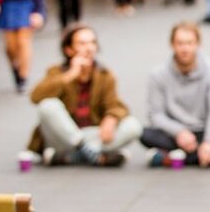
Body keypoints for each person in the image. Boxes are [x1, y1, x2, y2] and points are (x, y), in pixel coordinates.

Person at [28, 23, 141, 167]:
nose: (89, 48)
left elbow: (116, 105)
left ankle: (73, 156)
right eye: (82, 43)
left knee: (133, 126)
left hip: (91, 133)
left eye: (92, 42)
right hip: (62, 136)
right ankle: (92, 152)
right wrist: (70, 75)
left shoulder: (105, 75)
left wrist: (111, 118)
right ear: (68, 50)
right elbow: (35, 97)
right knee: (48, 106)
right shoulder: (57, 72)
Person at [140, 22, 210, 167]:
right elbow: (156, 115)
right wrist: (179, 132)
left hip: (204, 130)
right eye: (180, 43)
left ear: (198, 45)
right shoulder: (158, 75)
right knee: (142, 133)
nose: (185, 49)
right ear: (172, 45)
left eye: (189, 43)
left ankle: (173, 158)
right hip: (174, 134)